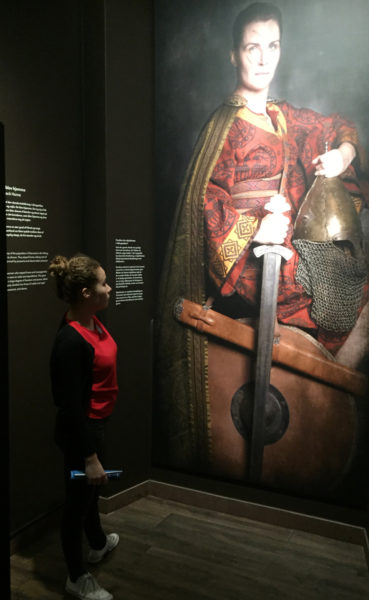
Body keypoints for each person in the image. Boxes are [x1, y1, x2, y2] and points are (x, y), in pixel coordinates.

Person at [155, 2, 369, 472]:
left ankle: (326, 400)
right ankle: (320, 395)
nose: (263, 58)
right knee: (335, 293)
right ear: (234, 55)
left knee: (354, 271)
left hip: (294, 243)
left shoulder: (284, 116)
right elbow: (207, 201)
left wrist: (343, 154)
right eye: (252, 47)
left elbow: (334, 127)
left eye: (272, 46)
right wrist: (256, 230)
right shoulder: (224, 126)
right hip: (255, 263)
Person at [49, 254, 119, 600]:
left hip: (97, 425)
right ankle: (76, 577)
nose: (109, 288)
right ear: (86, 294)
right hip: (83, 432)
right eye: (103, 283)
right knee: (77, 502)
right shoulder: (71, 341)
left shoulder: (91, 320)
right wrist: (89, 455)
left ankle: (97, 543)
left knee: (92, 492)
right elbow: (70, 407)